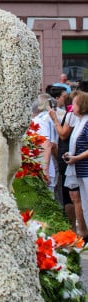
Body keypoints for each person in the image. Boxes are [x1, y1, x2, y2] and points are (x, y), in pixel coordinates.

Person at [62, 91, 88, 241]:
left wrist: (76, 157)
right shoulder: (79, 121)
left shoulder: (86, 123)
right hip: (80, 169)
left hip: (85, 168)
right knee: (84, 203)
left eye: (76, 103)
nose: (73, 106)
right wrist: (70, 155)